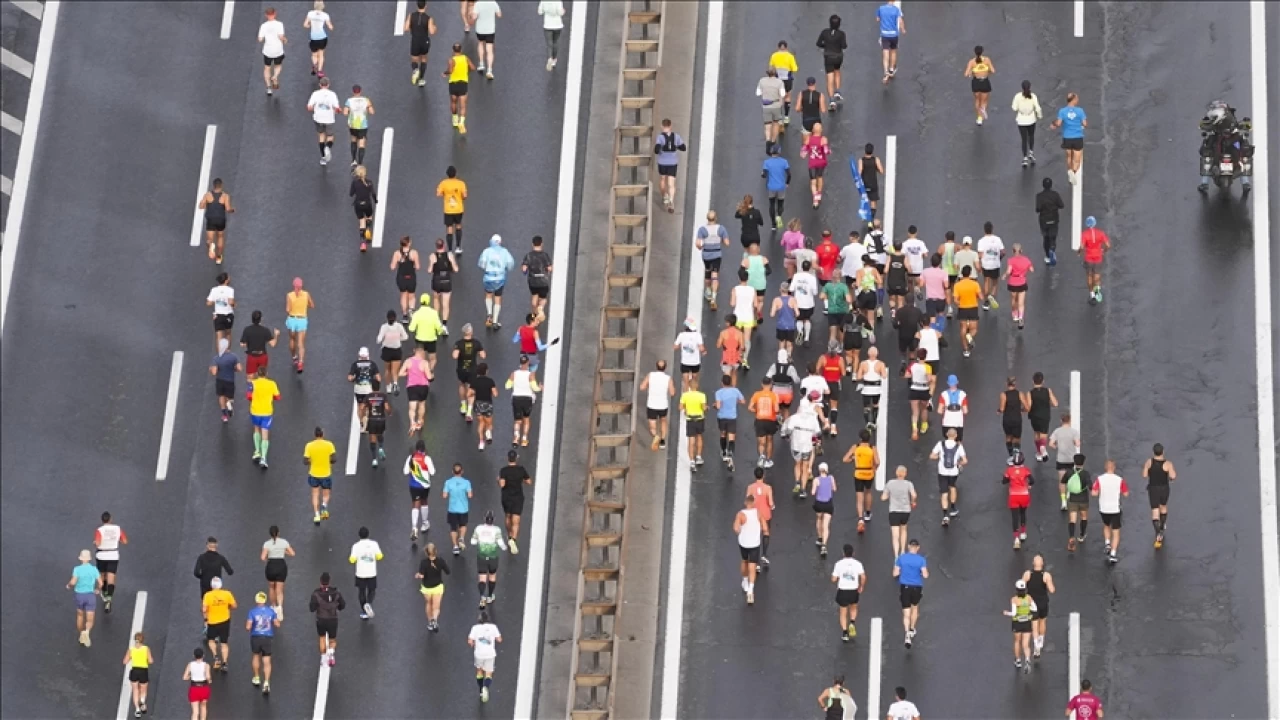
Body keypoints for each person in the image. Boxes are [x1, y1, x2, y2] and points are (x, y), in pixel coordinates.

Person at [1093, 459, 1129, 564]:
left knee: (1106, 525)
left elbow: (1094, 493)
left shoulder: (1099, 479)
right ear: (1114, 467)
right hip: (1115, 509)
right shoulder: (1119, 480)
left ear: (1105, 467)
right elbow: (1126, 494)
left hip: (1103, 508)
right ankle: (1113, 554)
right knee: (1116, 532)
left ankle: (1107, 543)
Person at [893, 540, 927, 648]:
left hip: (905, 587)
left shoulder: (901, 558)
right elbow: (925, 575)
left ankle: (907, 634)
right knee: (915, 607)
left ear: (908, 546)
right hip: (916, 587)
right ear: (918, 547)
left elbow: (895, 573)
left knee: (906, 612)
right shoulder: (921, 560)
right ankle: (912, 628)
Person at [1142, 443, 1177, 549]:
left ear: (1153, 452)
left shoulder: (1149, 462)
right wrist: (1170, 477)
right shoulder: (1168, 464)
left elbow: (1144, 475)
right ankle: (1162, 525)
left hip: (1153, 489)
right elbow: (1173, 476)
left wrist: (1150, 472)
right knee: (1163, 506)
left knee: (1154, 510)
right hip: (1164, 488)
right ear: (1163, 452)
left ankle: (1158, 533)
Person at [829, 544, 866, 643]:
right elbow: (863, 577)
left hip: (843, 590)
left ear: (843, 553)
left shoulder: (838, 564)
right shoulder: (858, 563)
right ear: (853, 553)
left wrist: (835, 578)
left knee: (843, 613)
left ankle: (845, 633)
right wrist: (861, 586)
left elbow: (833, 579)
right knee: (853, 607)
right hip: (853, 590)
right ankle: (852, 622)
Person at [844, 429, 878, 534]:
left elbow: (845, 459)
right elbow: (877, 461)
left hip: (858, 473)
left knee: (859, 496)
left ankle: (860, 519)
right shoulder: (872, 448)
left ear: (860, 438)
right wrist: (874, 469)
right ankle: (867, 513)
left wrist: (853, 458)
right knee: (868, 492)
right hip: (869, 473)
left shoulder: (856, 447)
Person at [733, 494, 766, 605]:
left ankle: (745, 581)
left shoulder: (740, 514)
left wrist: (740, 530)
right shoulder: (758, 513)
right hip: (754, 544)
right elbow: (765, 527)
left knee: (744, 561)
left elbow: (736, 528)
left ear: (745, 503)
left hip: (743, 543)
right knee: (752, 565)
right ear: (754, 503)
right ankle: (751, 590)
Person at [1021, 554, 1056, 658]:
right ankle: (1041, 640)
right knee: (1042, 622)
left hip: (1032, 604)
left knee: (1034, 624)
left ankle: (1036, 645)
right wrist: (1049, 583)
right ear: (1042, 563)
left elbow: (1021, 587)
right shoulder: (1046, 575)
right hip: (1043, 603)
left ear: (1033, 563)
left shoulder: (1027, 574)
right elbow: (1052, 590)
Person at [930, 427, 967, 525]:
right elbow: (965, 460)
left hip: (942, 472)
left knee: (944, 493)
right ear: (956, 436)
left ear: (947, 434)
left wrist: (940, 456)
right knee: (952, 487)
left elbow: (932, 456)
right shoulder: (958, 446)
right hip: (953, 472)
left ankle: (945, 515)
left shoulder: (940, 444)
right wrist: (958, 463)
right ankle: (953, 507)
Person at [93, 511, 128, 613]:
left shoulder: (99, 530)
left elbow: (98, 543)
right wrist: (116, 540)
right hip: (113, 555)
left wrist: (95, 542)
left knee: (102, 576)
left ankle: (104, 594)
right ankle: (109, 599)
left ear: (102, 520)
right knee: (111, 578)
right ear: (111, 519)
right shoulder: (117, 529)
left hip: (101, 556)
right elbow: (125, 541)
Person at [245, 591, 279, 693]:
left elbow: (248, 627)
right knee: (267, 660)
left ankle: (256, 677)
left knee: (256, 656)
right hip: (267, 637)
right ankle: (267, 682)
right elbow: (277, 624)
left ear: (256, 600)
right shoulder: (271, 611)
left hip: (256, 637)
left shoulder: (252, 612)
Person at [471, 511, 507, 608]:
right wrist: (505, 548)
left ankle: (482, 597)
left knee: (482, 578)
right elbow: (501, 543)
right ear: (494, 520)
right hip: (493, 557)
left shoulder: (478, 528)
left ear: (484, 519)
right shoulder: (497, 530)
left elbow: (473, 542)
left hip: (482, 557)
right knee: (492, 576)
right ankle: (490, 596)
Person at [498, 451, 532, 553]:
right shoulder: (521, 470)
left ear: (508, 458)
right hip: (518, 497)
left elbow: (502, 484)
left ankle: (509, 535)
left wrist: (498, 480)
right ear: (516, 458)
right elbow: (529, 482)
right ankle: (513, 539)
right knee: (516, 520)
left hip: (506, 497)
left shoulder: (504, 470)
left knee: (508, 516)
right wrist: (521, 480)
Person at [479, 235, 516, 328]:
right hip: (500, 278)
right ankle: (495, 321)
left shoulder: (486, 251)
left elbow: (482, 264)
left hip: (489, 277)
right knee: (498, 298)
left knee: (488, 295)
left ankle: (489, 314)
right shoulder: (504, 251)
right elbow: (510, 264)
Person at [309, 572, 345, 666]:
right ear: (329, 581)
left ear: (320, 581)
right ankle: (331, 652)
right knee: (332, 640)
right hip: (333, 619)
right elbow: (342, 605)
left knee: (322, 638)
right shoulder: (336, 593)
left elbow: (312, 608)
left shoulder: (316, 594)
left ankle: (323, 658)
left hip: (321, 619)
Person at [422, 239, 458, 334]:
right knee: (445, 304)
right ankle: (444, 325)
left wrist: (432, 263)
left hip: (436, 281)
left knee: (436, 300)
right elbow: (456, 269)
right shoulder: (449, 255)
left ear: (436, 246)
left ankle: (436, 323)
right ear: (444, 245)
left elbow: (429, 270)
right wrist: (451, 263)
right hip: (446, 280)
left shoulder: (432, 256)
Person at [201, 576, 236, 672]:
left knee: (211, 640)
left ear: (211, 585)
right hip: (225, 621)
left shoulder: (207, 595)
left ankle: (216, 657)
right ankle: (225, 663)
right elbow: (234, 606)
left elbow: (204, 609)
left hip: (212, 622)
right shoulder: (227, 594)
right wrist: (227, 607)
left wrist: (205, 619)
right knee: (224, 643)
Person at [247, 366, 280, 468]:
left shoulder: (252, 383)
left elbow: (249, 396)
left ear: (257, 374)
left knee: (256, 429)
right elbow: (278, 397)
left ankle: (257, 451)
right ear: (266, 374)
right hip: (267, 412)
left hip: (255, 411)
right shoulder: (272, 383)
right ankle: (263, 458)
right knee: (265, 433)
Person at [1052, 92, 1088, 184]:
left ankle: (1069, 171)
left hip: (1067, 137)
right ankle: (1073, 172)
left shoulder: (1062, 111)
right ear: (1074, 100)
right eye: (1077, 98)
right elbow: (1085, 124)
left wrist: (1053, 124)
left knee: (1069, 156)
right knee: (1077, 159)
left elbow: (1058, 123)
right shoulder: (1080, 111)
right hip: (1077, 137)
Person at [68, 549, 101, 646]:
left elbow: (73, 582)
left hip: (79, 595)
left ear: (81, 559)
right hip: (90, 595)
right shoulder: (94, 569)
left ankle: (81, 634)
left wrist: (69, 585)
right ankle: (87, 631)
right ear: (89, 559)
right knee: (90, 618)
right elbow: (101, 583)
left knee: (80, 615)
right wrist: (97, 589)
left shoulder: (77, 569)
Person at [882, 466, 917, 558]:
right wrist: (913, 502)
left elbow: (883, 497)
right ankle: (902, 551)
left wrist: (889, 495)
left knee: (895, 535)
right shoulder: (908, 484)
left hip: (894, 511)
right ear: (905, 474)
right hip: (905, 511)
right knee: (904, 529)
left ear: (896, 473)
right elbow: (914, 495)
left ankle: (896, 555)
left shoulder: (890, 483)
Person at [304, 427, 337, 525]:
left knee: (315, 494)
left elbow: (305, 461)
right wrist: (327, 461)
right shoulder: (329, 445)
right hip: (326, 474)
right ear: (323, 434)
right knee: (326, 494)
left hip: (314, 474)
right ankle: (324, 505)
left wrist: (312, 460)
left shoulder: (309, 445)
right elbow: (334, 459)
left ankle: (316, 515)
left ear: (315, 435)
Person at [260, 525, 294, 620]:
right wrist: (283, 552)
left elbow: (262, 557)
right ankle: (280, 607)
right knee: (279, 589)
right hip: (281, 566)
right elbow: (292, 553)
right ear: (278, 533)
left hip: (271, 565)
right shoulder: (284, 542)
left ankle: (273, 606)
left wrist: (268, 558)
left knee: (271, 587)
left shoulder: (267, 544)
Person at [349, 527, 383, 619]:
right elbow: (380, 556)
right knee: (372, 590)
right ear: (368, 534)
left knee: (361, 591)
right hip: (372, 572)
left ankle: (364, 611)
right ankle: (369, 603)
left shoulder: (356, 546)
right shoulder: (374, 544)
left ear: (359, 535)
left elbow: (352, 560)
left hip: (360, 573)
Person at [696, 211, 728, 309]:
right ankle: (713, 298)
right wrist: (720, 240)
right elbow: (727, 243)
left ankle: (708, 290)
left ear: (707, 218)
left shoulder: (702, 230)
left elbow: (698, 244)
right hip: (717, 255)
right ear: (716, 218)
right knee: (715, 275)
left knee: (708, 272)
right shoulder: (721, 229)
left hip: (706, 255)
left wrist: (702, 246)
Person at [468, 611, 502, 702]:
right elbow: (499, 639)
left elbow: (470, 641)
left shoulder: (475, 628)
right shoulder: (493, 627)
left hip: (479, 654)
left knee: (479, 671)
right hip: (490, 654)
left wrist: (473, 643)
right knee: (488, 673)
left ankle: (480, 690)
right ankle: (485, 687)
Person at [507, 355, 541, 447]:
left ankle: (516, 438)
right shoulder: (530, 375)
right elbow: (535, 388)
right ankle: (524, 439)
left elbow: (507, 386)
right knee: (526, 419)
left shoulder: (514, 374)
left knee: (517, 420)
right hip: (527, 399)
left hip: (516, 398)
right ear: (528, 363)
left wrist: (514, 383)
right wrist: (540, 388)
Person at [640, 360, 675, 450]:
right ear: (665, 368)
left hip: (651, 405)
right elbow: (672, 393)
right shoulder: (668, 378)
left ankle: (656, 436)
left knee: (652, 426)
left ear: (656, 366)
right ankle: (662, 440)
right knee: (663, 421)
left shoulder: (650, 375)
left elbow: (642, 387)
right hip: (663, 405)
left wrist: (649, 386)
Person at [1049, 413, 1081, 509]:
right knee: (1070, 479)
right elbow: (1077, 444)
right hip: (1071, 459)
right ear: (1070, 421)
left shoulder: (1057, 431)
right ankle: (1069, 494)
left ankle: (1063, 502)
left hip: (1061, 459)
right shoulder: (1074, 432)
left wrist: (1056, 446)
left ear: (1061, 421)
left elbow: (1051, 443)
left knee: (1062, 481)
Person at [1003, 579, 1037, 671]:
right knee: (1026, 644)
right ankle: (1027, 659)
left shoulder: (1014, 599)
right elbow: (1034, 609)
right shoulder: (1029, 598)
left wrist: (1006, 613)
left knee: (1017, 641)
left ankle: (1018, 661)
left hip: (1017, 623)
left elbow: (1014, 613)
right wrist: (1028, 609)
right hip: (1027, 622)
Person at [198, 178, 234, 264]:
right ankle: (218, 257)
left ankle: (210, 245)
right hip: (220, 219)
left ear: (213, 186)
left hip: (211, 219)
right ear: (221, 185)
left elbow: (201, 206)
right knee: (220, 237)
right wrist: (232, 210)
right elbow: (228, 209)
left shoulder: (208, 195)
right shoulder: (225, 196)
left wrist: (207, 205)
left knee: (209, 239)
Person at [1024, 371, 1058, 460]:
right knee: (1043, 434)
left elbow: (1029, 406)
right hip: (1045, 416)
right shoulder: (1048, 391)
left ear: (1033, 381)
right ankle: (1042, 448)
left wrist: (1023, 410)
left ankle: (1039, 452)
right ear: (1043, 381)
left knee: (1036, 433)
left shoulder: (1030, 393)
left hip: (1034, 416)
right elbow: (1055, 403)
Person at [416, 543, 450, 631]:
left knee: (428, 603)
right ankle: (434, 619)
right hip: (437, 587)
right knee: (436, 606)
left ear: (426, 552)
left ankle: (430, 622)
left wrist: (418, 575)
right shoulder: (440, 561)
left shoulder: (423, 563)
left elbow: (422, 576)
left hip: (427, 588)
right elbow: (448, 571)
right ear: (436, 551)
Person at [1004, 450, 1034, 550]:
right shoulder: (1026, 470)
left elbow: (1004, 481)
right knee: (1023, 513)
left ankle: (1016, 538)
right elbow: (1032, 480)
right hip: (1024, 495)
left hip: (1013, 495)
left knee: (1014, 517)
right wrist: (1028, 485)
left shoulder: (1009, 470)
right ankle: (1023, 533)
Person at [654, 118, 686, 211]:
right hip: (672, 162)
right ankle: (671, 200)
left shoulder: (660, 137)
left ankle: (665, 196)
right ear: (670, 126)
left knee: (662, 180)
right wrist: (676, 146)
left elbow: (656, 150)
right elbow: (683, 148)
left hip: (662, 162)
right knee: (671, 183)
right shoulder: (676, 137)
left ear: (662, 126)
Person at [406, 440, 435, 541]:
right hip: (425, 486)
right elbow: (432, 472)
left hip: (413, 485)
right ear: (424, 448)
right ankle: (425, 523)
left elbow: (405, 471)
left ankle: (414, 527)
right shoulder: (427, 458)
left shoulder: (411, 457)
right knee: (424, 502)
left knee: (415, 504)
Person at [443, 43, 476, 134]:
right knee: (463, 105)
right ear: (461, 50)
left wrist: (445, 73)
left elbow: (450, 71)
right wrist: (466, 70)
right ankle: (461, 122)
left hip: (453, 83)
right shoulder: (465, 58)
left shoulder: (451, 60)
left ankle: (454, 119)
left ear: (453, 50)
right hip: (463, 83)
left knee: (453, 101)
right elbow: (473, 68)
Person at [400, 346, 433, 436]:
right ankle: (419, 421)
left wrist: (408, 372)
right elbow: (429, 377)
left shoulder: (408, 361)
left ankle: (412, 422)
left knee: (412, 407)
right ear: (422, 353)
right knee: (422, 404)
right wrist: (432, 376)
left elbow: (400, 373)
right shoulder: (424, 362)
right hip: (423, 386)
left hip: (411, 386)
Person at [407, 293, 445, 371]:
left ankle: (421, 373)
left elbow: (411, 328)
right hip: (431, 340)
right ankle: (429, 371)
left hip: (420, 340)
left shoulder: (417, 313)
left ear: (420, 301)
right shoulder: (434, 313)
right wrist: (440, 332)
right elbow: (439, 327)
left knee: (420, 359)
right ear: (429, 301)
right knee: (433, 359)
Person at [855, 346, 887, 438]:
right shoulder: (881, 364)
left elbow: (858, 377)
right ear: (877, 354)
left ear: (868, 354)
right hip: (876, 389)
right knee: (875, 405)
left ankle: (867, 423)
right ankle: (873, 422)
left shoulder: (863, 364)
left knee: (866, 407)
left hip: (866, 389)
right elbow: (884, 376)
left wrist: (865, 374)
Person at [815, 15, 847, 106]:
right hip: (838, 57)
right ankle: (837, 91)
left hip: (828, 57)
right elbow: (844, 46)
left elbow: (818, 43)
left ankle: (831, 100)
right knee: (837, 71)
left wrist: (826, 46)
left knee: (830, 76)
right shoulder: (841, 34)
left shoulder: (824, 32)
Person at [714, 374, 745, 468]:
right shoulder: (735, 391)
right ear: (731, 382)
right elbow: (743, 401)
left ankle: (724, 452)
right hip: (732, 417)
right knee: (731, 436)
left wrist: (714, 405)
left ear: (722, 383)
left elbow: (718, 406)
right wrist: (736, 401)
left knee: (723, 434)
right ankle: (730, 453)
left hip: (722, 417)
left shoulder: (719, 393)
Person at [749, 377, 780, 469]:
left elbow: (750, 407)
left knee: (761, 441)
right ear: (771, 385)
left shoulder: (756, 394)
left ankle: (761, 456)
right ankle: (768, 460)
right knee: (769, 440)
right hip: (771, 420)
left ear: (762, 384)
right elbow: (777, 409)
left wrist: (757, 411)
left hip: (760, 420)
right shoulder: (774, 395)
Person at [239, 309, 280, 380]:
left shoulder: (247, 330)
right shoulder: (265, 330)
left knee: (250, 379)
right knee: (263, 378)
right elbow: (273, 344)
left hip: (252, 357)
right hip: (262, 357)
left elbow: (242, 344)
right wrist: (276, 335)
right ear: (261, 319)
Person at [443, 464, 474, 554]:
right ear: (462, 471)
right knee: (463, 525)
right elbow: (470, 495)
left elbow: (444, 495)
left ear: (452, 471)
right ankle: (461, 538)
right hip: (463, 509)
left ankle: (455, 547)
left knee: (453, 528)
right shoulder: (466, 482)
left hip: (452, 509)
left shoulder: (448, 482)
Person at [436, 166, 468, 254]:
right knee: (458, 226)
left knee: (449, 229)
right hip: (458, 209)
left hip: (448, 210)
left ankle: (450, 250)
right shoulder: (461, 183)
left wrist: (446, 194)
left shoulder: (443, 183)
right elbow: (465, 196)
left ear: (447, 174)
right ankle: (458, 247)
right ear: (455, 174)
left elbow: (438, 194)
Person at [1080, 215, 1111, 304]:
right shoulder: (1100, 233)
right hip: (1098, 257)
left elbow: (1082, 247)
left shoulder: (1085, 234)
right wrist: (1103, 251)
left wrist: (1079, 252)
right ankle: (1097, 288)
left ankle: (1092, 294)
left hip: (1089, 258)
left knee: (1089, 275)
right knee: (1097, 274)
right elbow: (1108, 245)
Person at [348, 347, 380, 432]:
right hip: (368, 389)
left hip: (358, 389)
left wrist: (354, 378)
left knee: (360, 406)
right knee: (369, 406)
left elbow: (350, 378)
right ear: (368, 355)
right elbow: (378, 378)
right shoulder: (372, 364)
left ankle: (362, 422)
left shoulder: (355, 364)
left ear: (359, 355)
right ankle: (367, 421)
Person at [522, 235, 554, 321]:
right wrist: (548, 271)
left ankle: (534, 316)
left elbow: (524, 269)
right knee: (543, 298)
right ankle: (540, 308)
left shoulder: (529, 255)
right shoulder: (545, 255)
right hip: (543, 281)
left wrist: (526, 272)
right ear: (541, 244)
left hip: (533, 281)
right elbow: (550, 268)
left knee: (534, 296)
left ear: (532, 244)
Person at [391, 236, 423, 323]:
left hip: (401, 278)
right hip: (411, 277)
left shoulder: (397, 253)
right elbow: (418, 267)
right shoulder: (414, 253)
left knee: (403, 295)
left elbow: (392, 267)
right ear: (409, 243)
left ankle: (405, 316)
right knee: (412, 296)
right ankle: (411, 311)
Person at [953, 266, 983, 357]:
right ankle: (969, 336)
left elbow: (955, 300)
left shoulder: (957, 285)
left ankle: (966, 349)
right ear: (970, 273)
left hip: (962, 308)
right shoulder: (975, 284)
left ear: (962, 274)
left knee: (963, 328)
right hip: (973, 308)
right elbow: (981, 297)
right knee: (974, 329)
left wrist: (959, 303)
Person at [285, 277, 314, 372]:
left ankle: (294, 358)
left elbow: (287, 310)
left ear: (293, 286)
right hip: (302, 320)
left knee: (292, 339)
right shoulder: (306, 294)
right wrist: (305, 305)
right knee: (301, 343)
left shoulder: (289, 295)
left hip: (292, 319)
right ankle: (301, 362)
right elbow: (312, 305)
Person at [405, 0, 437, 87]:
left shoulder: (411, 15)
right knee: (424, 58)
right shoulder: (429, 18)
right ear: (425, 6)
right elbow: (432, 32)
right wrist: (434, 27)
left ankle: (416, 70)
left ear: (417, 5)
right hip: (424, 41)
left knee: (414, 59)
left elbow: (406, 28)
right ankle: (421, 79)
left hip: (415, 40)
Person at [378, 311, 409, 395]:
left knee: (387, 369)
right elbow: (405, 337)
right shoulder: (399, 326)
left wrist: (385, 340)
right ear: (395, 318)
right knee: (395, 370)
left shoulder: (384, 327)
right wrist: (398, 339)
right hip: (396, 350)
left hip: (387, 350)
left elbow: (379, 340)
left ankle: (388, 387)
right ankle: (395, 383)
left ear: (387, 318)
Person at [1064, 453, 1092, 551]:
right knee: (1083, 517)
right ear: (1083, 462)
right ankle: (1081, 535)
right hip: (1083, 499)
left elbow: (1063, 482)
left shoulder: (1069, 472)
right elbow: (1090, 486)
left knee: (1072, 519)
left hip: (1073, 499)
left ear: (1074, 462)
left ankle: (1072, 536)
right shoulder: (1086, 473)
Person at [1013, 80, 1043, 167]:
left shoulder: (1017, 96)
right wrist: (1039, 116)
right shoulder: (1033, 96)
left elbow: (1014, 108)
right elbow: (1038, 108)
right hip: (1031, 119)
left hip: (1021, 120)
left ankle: (1025, 157)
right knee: (1031, 136)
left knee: (1024, 139)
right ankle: (1031, 152)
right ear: (1030, 87)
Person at [123, 631, 153, 717]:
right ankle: (142, 701)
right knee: (143, 689)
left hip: (134, 671)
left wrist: (131, 657)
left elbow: (125, 661)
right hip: (143, 671)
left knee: (135, 690)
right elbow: (151, 661)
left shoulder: (131, 649)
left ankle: (137, 710)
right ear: (143, 640)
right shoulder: (146, 649)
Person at [468, 362, 498, 449]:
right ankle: (488, 433)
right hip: (488, 404)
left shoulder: (474, 381)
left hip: (478, 404)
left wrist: (475, 392)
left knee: (481, 422)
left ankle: (481, 442)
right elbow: (495, 394)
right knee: (489, 423)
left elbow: (468, 394)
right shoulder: (490, 381)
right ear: (486, 371)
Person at [258, 7, 287, 95]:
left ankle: (269, 88)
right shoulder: (279, 24)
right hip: (278, 49)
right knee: (278, 66)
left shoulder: (263, 26)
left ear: (266, 15)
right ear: (275, 14)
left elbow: (260, 39)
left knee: (267, 68)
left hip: (268, 50)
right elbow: (281, 36)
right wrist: (285, 40)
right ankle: (275, 76)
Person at [976, 221, 1005, 310]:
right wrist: (999, 258)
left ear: (984, 230)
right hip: (995, 264)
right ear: (992, 229)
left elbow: (980, 255)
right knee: (995, 283)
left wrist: (979, 263)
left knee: (986, 282)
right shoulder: (998, 239)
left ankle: (986, 302)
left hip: (986, 265)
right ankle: (992, 295)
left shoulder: (981, 241)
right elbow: (1003, 252)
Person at [1004, 243, 1034, 328]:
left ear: (1013, 251)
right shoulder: (1026, 260)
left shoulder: (1011, 260)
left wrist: (1005, 276)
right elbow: (1031, 269)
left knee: (1014, 299)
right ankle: (1021, 317)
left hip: (1013, 282)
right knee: (1021, 302)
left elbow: (1009, 271)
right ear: (1021, 250)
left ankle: (1015, 314)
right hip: (1022, 282)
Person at [904, 348, 931, 441]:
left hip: (914, 389)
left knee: (915, 412)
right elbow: (929, 379)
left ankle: (915, 428)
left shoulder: (912, 365)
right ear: (925, 356)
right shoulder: (927, 367)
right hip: (924, 390)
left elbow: (907, 375)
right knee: (924, 409)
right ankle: (924, 425)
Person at [801, 123, 831, 207]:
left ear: (813, 130)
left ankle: (815, 199)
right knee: (820, 177)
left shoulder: (808, 139)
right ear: (821, 130)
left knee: (813, 181)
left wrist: (804, 153)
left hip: (812, 163)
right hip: (821, 162)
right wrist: (829, 151)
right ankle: (819, 194)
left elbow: (803, 153)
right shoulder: (823, 139)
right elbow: (826, 151)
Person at [1035, 177, 1064, 265]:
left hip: (1044, 220)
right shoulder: (1055, 195)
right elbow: (1061, 205)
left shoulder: (1039, 196)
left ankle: (1047, 256)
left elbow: (1038, 209)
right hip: (1054, 219)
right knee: (1053, 237)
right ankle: (1052, 248)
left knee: (1046, 238)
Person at [768, 40, 799, 121]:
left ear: (778, 47)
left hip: (777, 80)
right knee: (787, 97)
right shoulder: (790, 56)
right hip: (787, 79)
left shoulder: (774, 56)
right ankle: (786, 117)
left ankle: (779, 116)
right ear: (786, 47)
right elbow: (795, 69)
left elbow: (771, 67)